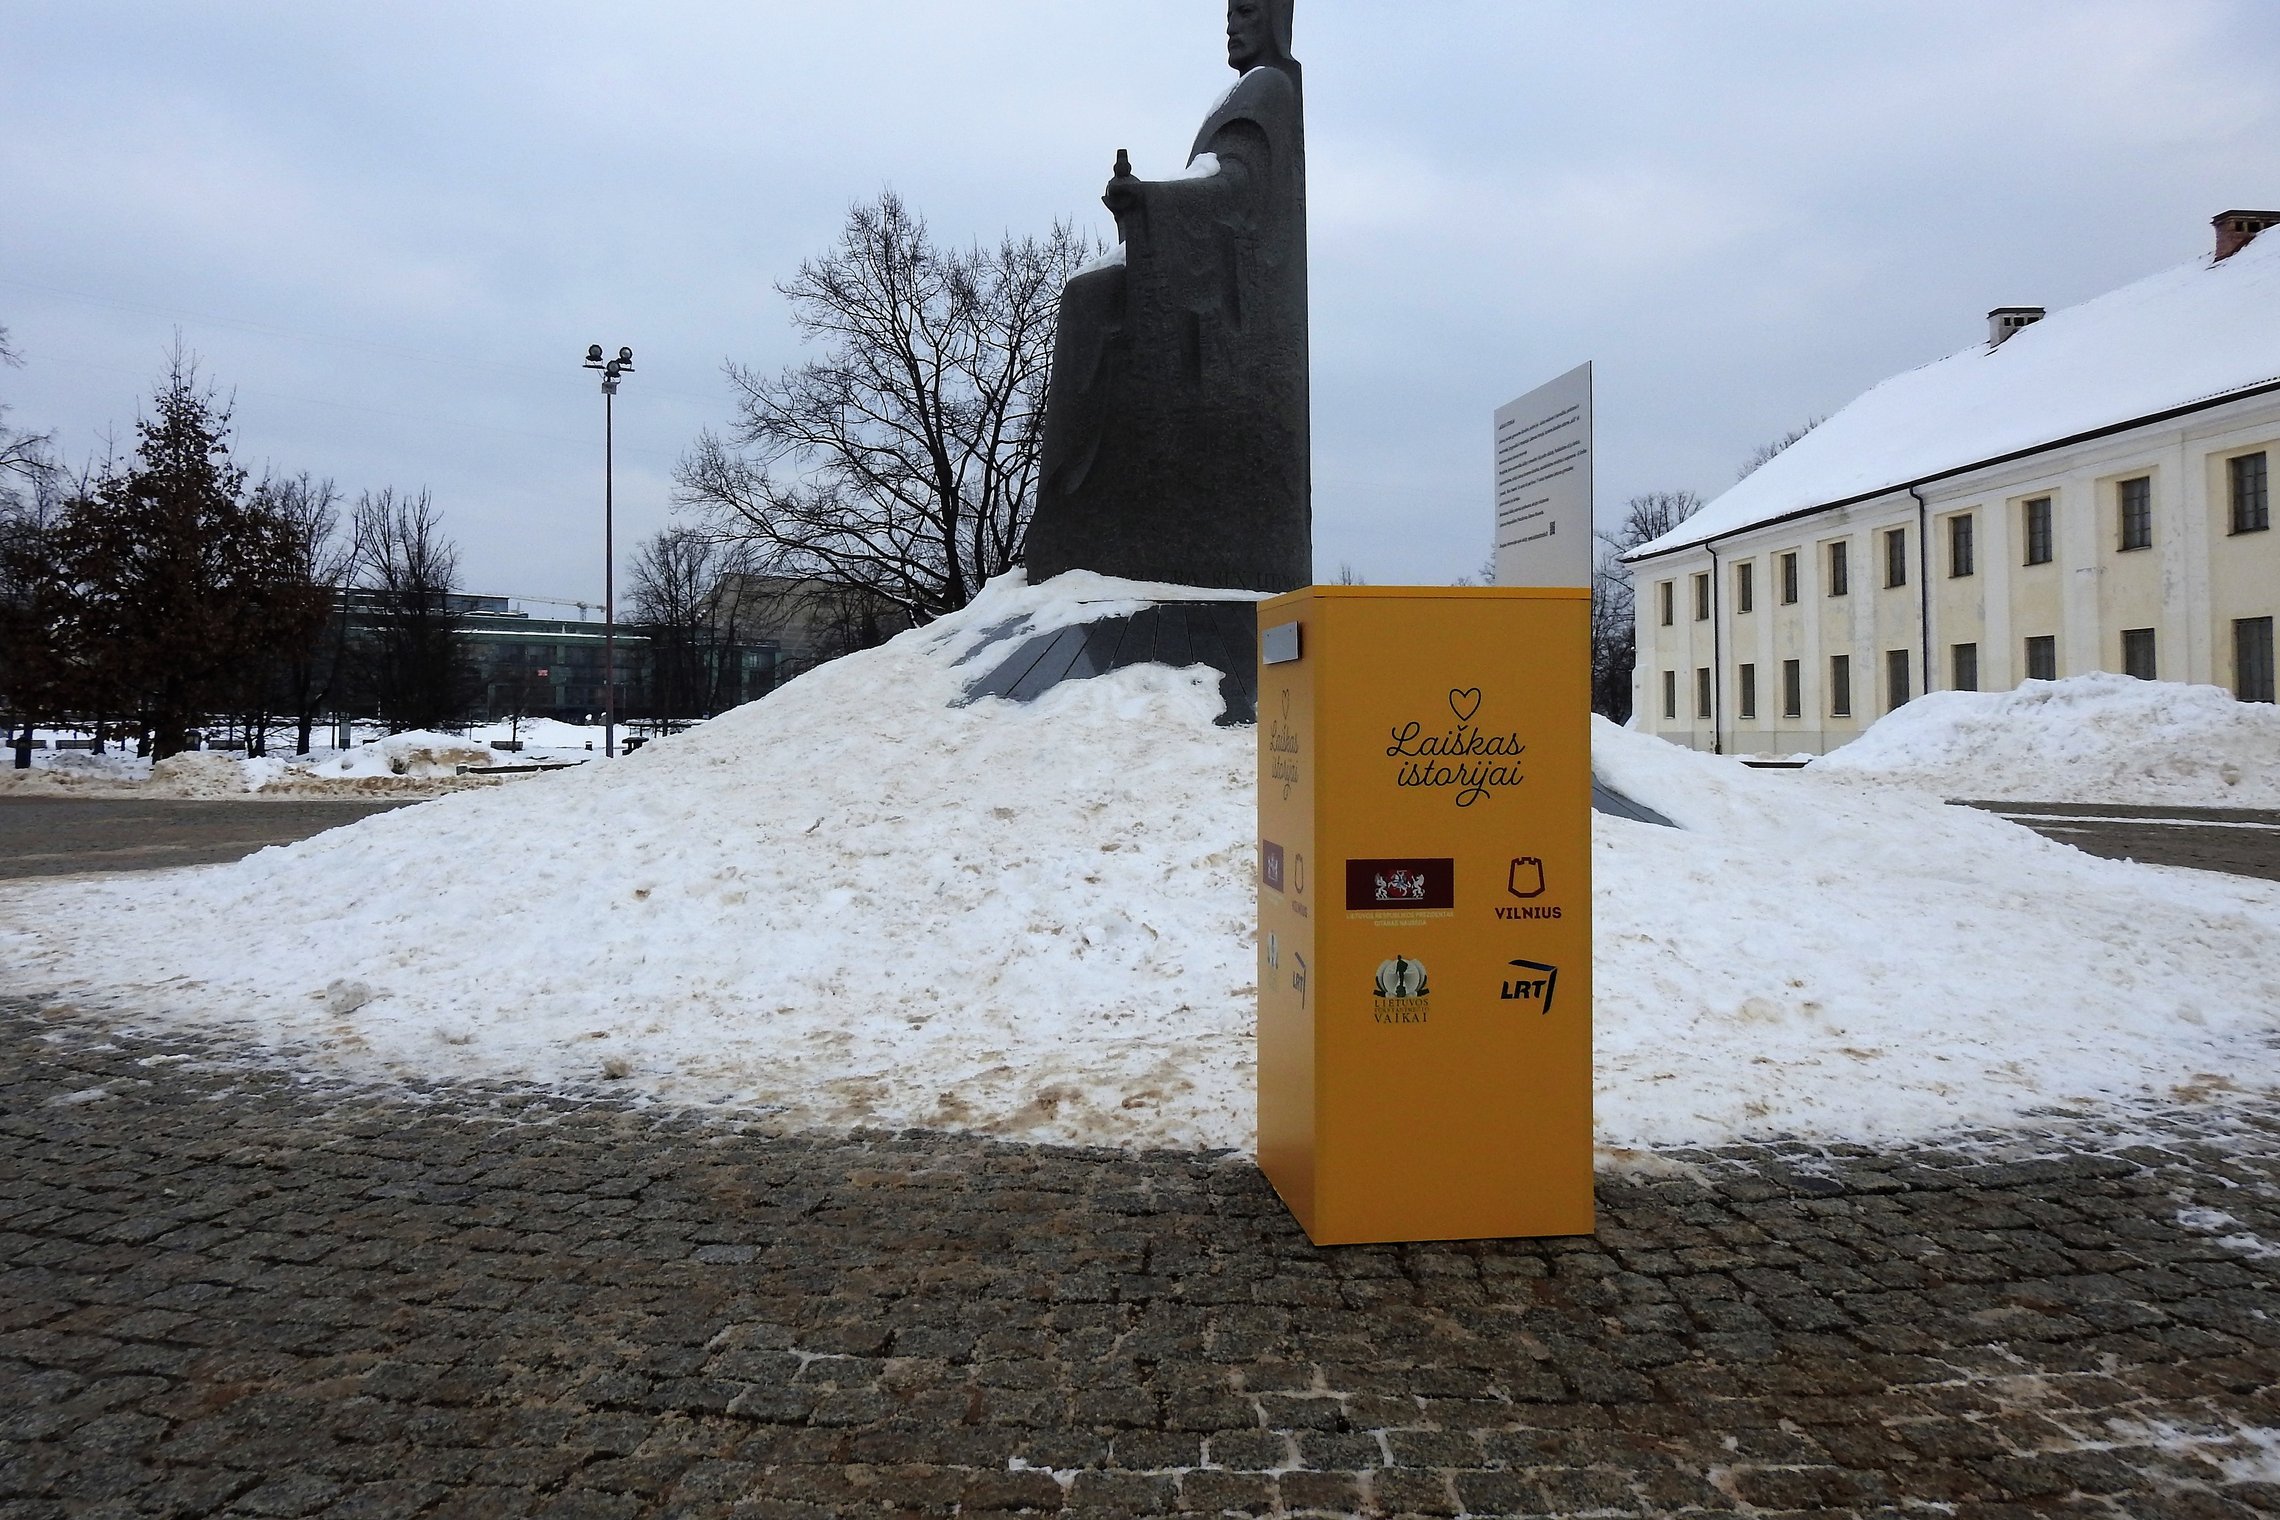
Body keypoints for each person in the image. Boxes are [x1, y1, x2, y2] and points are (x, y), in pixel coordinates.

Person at [1023, 0, 1310, 593]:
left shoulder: (1270, 91)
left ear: (1277, 18)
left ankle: (1081, 498)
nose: (1231, 24)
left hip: (1240, 308)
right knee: (1089, 297)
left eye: (1247, 11)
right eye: (1228, 13)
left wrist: (1151, 200)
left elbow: (1237, 189)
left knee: (1093, 302)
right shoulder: (1240, 96)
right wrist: (1146, 206)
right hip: (1206, 271)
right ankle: (1074, 509)